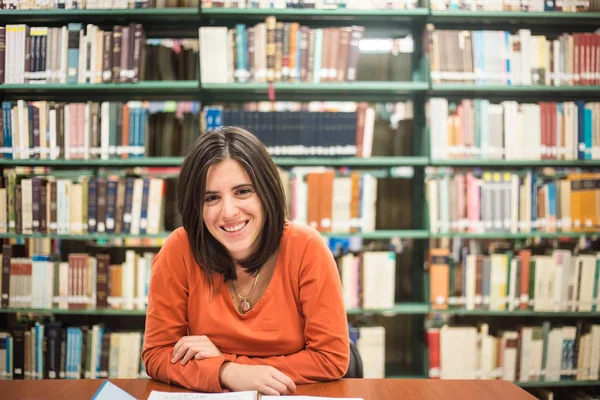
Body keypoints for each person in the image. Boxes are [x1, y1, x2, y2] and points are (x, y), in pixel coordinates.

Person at [142, 126, 350, 394]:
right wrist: (228, 372)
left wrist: (230, 366)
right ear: (196, 207)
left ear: (266, 192)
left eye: (242, 192)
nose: (228, 212)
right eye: (211, 198)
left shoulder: (307, 248)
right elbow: (158, 354)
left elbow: (330, 359)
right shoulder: (178, 249)